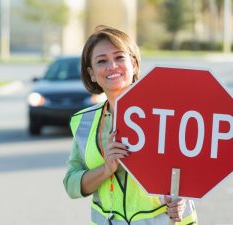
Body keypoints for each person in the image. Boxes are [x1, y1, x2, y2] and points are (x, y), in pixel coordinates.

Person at [63, 25, 198, 225]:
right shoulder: (84, 121)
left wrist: (183, 196)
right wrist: (105, 169)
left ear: (134, 64)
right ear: (91, 73)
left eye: (119, 57)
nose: (112, 66)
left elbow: (197, 165)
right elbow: (72, 183)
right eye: (102, 61)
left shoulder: (165, 111)